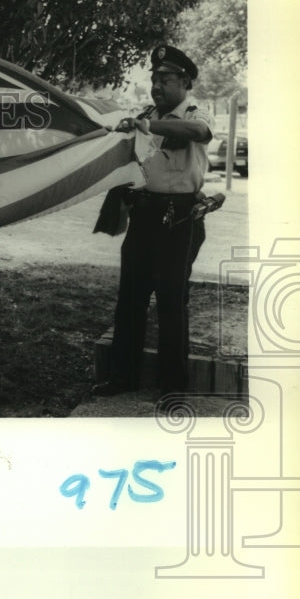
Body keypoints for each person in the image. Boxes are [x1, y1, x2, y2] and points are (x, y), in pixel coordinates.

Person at [93, 45, 214, 398]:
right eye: (154, 79)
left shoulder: (195, 112)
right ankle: (122, 377)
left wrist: (149, 125)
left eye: (165, 79)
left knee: (171, 300)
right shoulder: (145, 113)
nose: (157, 86)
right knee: (130, 296)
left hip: (178, 218)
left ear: (185, 82)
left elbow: (196, 132)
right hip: (145, 214)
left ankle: (172, 386)